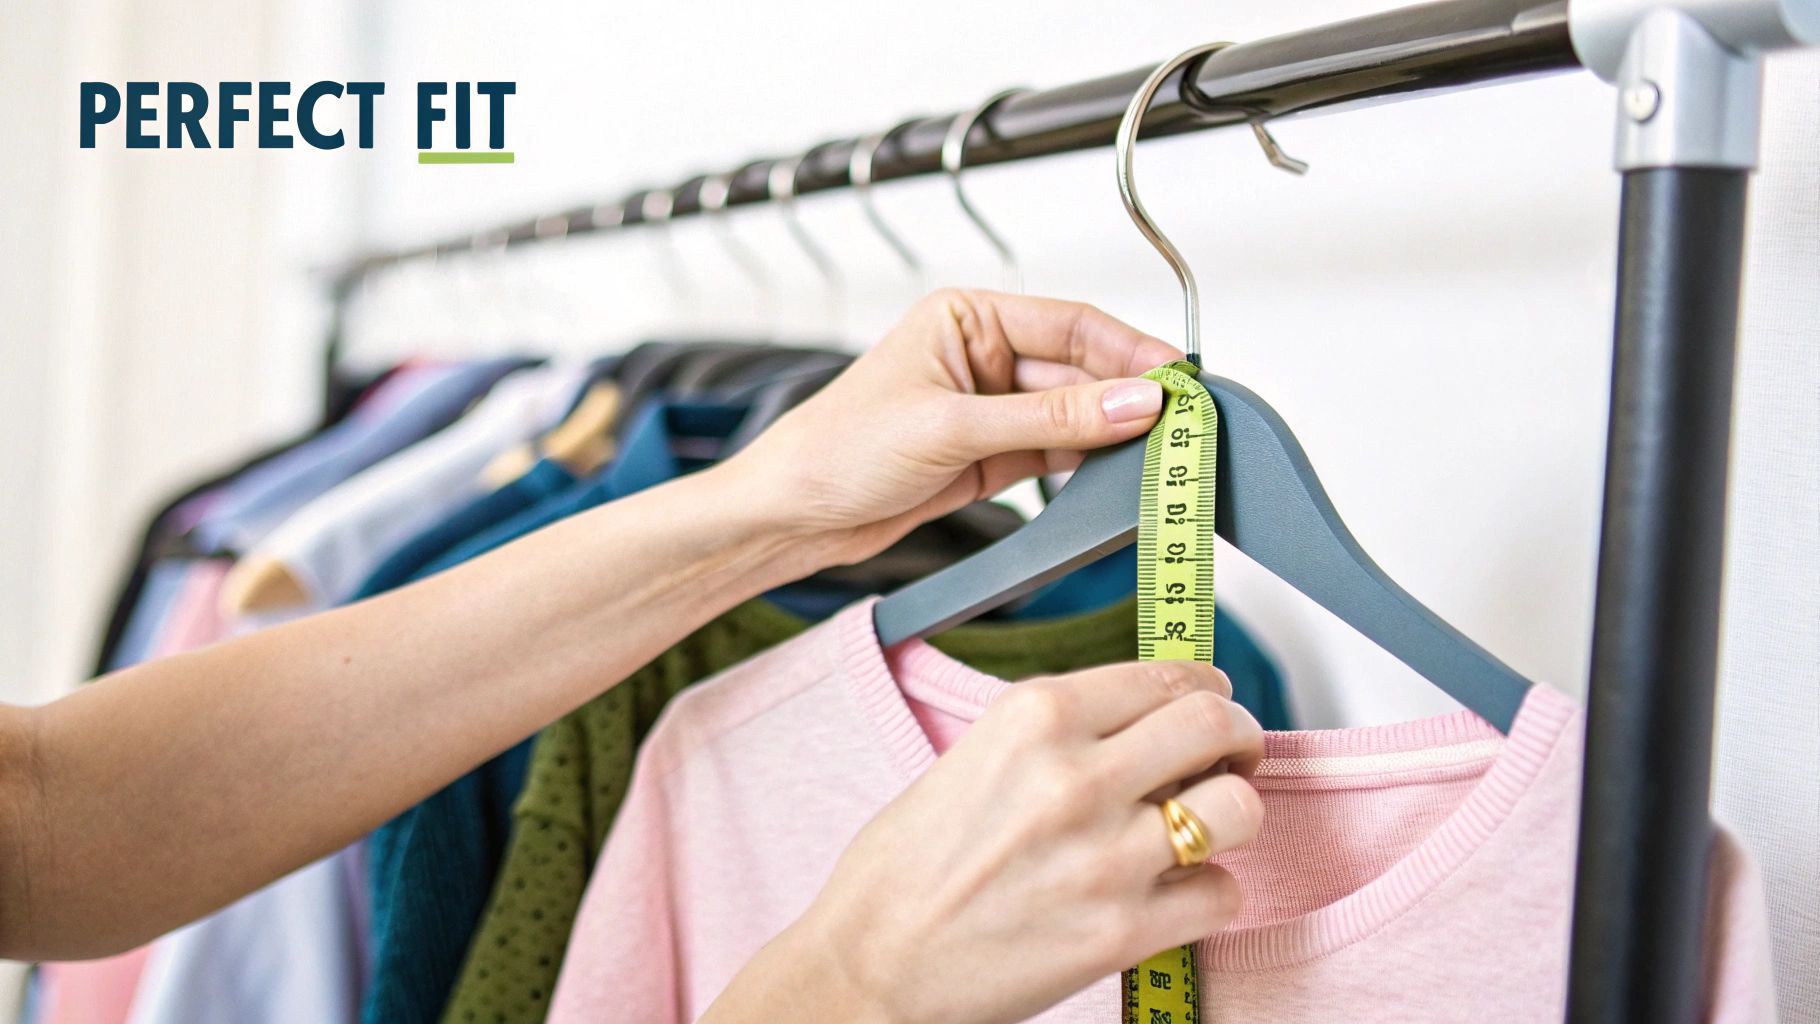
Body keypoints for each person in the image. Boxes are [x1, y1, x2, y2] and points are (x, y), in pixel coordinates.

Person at [0, 290, 1265, 1024]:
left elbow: (44, 816)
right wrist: (850, 987)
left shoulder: (1255, 679)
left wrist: (770, 503)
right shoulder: (690, 753)